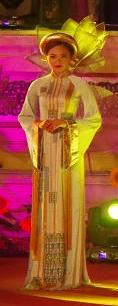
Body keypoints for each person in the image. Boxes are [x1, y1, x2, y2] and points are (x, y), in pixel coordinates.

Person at [18, 27, 103, 289]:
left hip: (67, 153)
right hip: (45, 151)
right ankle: (42, 271)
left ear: (71, 58)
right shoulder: (37, 85)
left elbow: (94, 119)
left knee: (69, 204)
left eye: (63, 56)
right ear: (46, 58)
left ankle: (69, 273)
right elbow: (25, 117)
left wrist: (67, 124)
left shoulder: (78, 84)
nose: (57, 61)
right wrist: (39, 125)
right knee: (45, 206)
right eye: (53, 56)